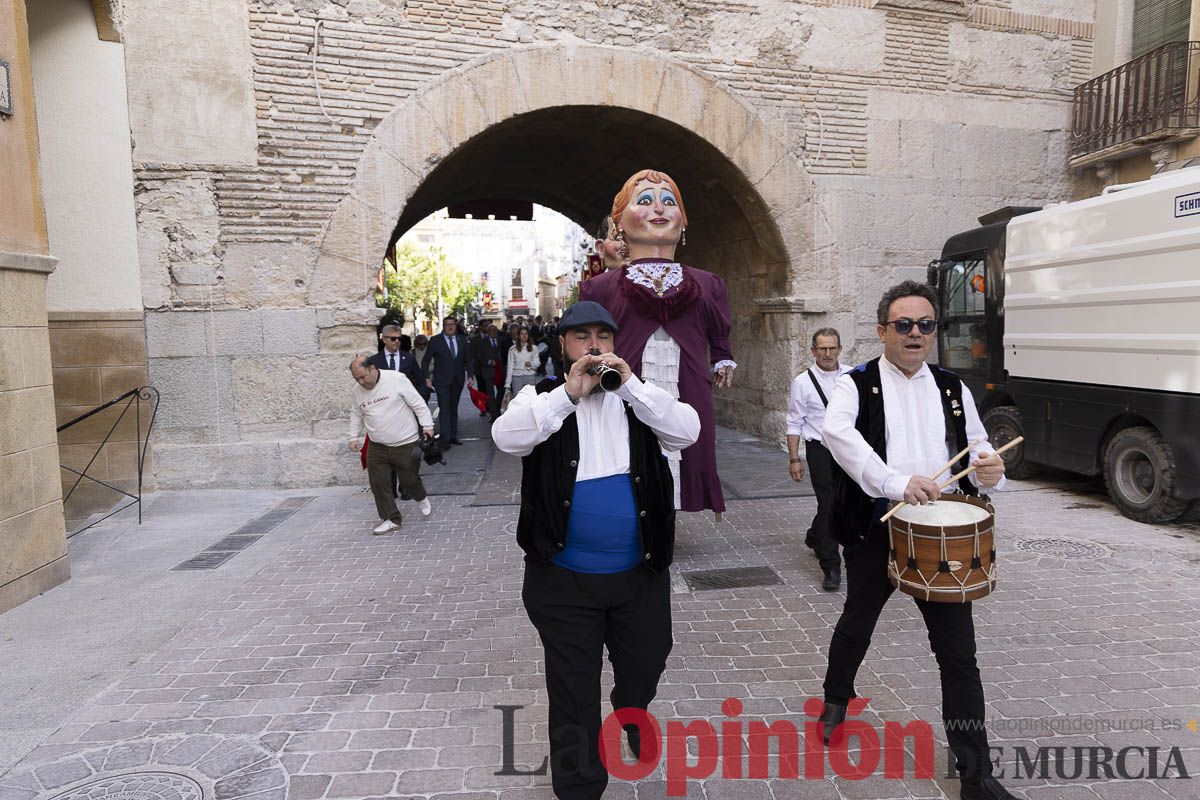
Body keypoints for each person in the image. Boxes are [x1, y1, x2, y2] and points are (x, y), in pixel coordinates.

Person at [491, 301, 700, 800]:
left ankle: (630, 707)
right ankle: (580, 788)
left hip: (638, 575)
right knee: (571, 689)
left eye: (602, 336)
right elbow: (507, 438)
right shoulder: (539, 397)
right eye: (580, 336)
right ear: (564, 346)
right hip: (562, 580)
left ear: (615, 343)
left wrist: (630, 385)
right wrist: (568, 394)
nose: (593, 345)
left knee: (647, 662)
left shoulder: (641, 399)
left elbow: (686, 431)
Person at [817, 280, 1014, 800]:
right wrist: (895, 482)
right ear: (882, 330)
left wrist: (990, 469)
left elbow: (977, 450)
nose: (915, 333)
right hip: (876, 525)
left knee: (958, 654)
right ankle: (836, 696)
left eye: (926, 325)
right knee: (858, 620)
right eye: (903, 324)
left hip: (940, 536)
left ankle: (975, 775)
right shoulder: (854, 384)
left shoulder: (952, 386)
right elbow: (839, 436)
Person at [580, 169, 734, 513]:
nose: (659, 210)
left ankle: (670, 515)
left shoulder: (709, 283)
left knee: (686, 444)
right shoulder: (599, 288)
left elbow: (717, 327)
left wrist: (723, 356)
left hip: (687, 381)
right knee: (630, 447)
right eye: (645, 201)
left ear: (683, 222)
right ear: (619, 222)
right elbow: (588, 338)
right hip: (626, 384)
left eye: (669, 202)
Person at [786, 327, 851, 592]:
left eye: (832, 348)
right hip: (820, 449)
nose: (827, 353)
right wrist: (794, 459)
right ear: (813, 351)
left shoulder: (852, 376)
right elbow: (794, 421)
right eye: (822, 348)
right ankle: (831, 566)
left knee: (843, 502)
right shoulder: (802, 382)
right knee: (828, 503)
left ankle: (815, 536)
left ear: (839, 349)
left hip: (848, 449)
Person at [347, 356, 435, 534]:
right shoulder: (357, 390)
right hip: (377, 444)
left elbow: (418, 404)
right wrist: (353, 437)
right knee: (378, 483)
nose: (360, 382)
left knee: (409, 480)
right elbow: (356, 413)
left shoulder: (396, 379)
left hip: (405, 441)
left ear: (372, 368)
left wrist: (427, 425)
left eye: (363, 377)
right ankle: (391, 518)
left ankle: (420, 496)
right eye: (356, 379)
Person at [421, 316, 472, 445]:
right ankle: (445, 438)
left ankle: (453, 436)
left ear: (456, 326)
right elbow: (425, 360)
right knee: (444, 408)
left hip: (458, 380)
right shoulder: (435, 341)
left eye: (452, 324)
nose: (450, 327)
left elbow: (468, 360)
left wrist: (470, 376)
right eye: (447, 325)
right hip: (441, 381)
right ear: (443, 327)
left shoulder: (462, 340)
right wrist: (426, 377)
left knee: (453, 409)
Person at [369, 324, 428, 401]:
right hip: (384, 406)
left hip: (406, 404)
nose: (397, 341)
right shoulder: (374, 360)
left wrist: (418, 399)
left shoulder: (409, 358)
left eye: (399, 338)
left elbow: (421, 381)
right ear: (384, 339)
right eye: (393, 338)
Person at [471, 324, 504, 421]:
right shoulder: (482, 343)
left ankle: (497, 409)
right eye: (491, 330)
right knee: (490, 394)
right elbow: (479, 356)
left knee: (501, 392)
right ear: (488, 332)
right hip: (488, 371)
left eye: (495, 330)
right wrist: (489, 361)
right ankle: (494, 415)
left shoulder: (501, 340)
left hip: (500, 371)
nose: (493, 332)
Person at [504, 326, 540, 402]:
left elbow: (537, 362)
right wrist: (507, 384)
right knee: (517, 401)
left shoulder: (534, 348)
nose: (524, 336)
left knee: (531, 399)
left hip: (530, 376)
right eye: (522, 334)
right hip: (516, 377)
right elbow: (510, 366)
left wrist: (530, 364)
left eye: (526, 334)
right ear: (518, 336)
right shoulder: (512, 349)